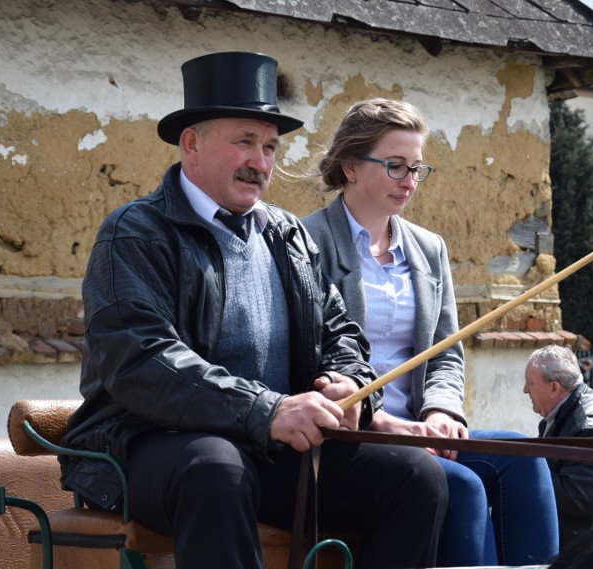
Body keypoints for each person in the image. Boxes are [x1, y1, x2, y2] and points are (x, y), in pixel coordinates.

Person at [58, 53, 448, 569]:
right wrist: (267, 410)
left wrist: (347, 381)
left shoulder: (286, 234)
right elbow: (140, 358)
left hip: (268, 448)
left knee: (415, 476)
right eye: (244, 141)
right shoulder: (134, 233)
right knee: (216, 467)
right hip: (152, 446)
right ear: (191, 144)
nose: (261, 163)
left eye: (269, 146)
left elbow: (341, 331)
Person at [302, 98, 559, 567]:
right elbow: (305, 359)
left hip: (423, 430)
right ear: (351, 166)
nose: (409, 182)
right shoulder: (306, 242)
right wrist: (378, 420)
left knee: (524, 459)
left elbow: (446, 352)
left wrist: (442, 410)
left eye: (418, 169)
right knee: (459, 485)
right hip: (355, 437)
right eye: (396, 165)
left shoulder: (428, 248)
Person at [523, 344, 593, 548]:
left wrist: (525, 471)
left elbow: (579, 497)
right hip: (579, 539)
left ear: (554, 388)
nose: (525, 389)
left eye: (530, 383)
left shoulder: (591, 426)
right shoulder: (560, 412)